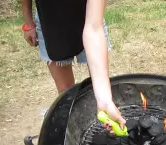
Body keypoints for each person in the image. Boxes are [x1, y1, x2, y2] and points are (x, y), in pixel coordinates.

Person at [21, 0, 126, 128]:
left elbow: (94, 28)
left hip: (86, 13)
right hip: (50, 20)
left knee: (96, 86)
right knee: (66, 93)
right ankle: (73, 125)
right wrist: (28, 23)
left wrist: (105, 100)